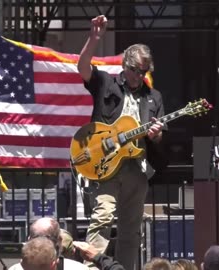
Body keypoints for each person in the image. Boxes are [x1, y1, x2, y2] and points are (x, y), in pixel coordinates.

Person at [77, 15, 166, 270]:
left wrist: (155, 134)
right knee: (102, 217)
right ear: (125, 66)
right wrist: (94, 38)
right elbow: (83, 68)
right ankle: (92, 267)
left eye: (144, 72)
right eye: (136, 70)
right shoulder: (106, 82)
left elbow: (159, 136)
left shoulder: (154, 97)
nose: (140, 76)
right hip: (106, 166)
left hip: (136, 168)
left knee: (131, 227)